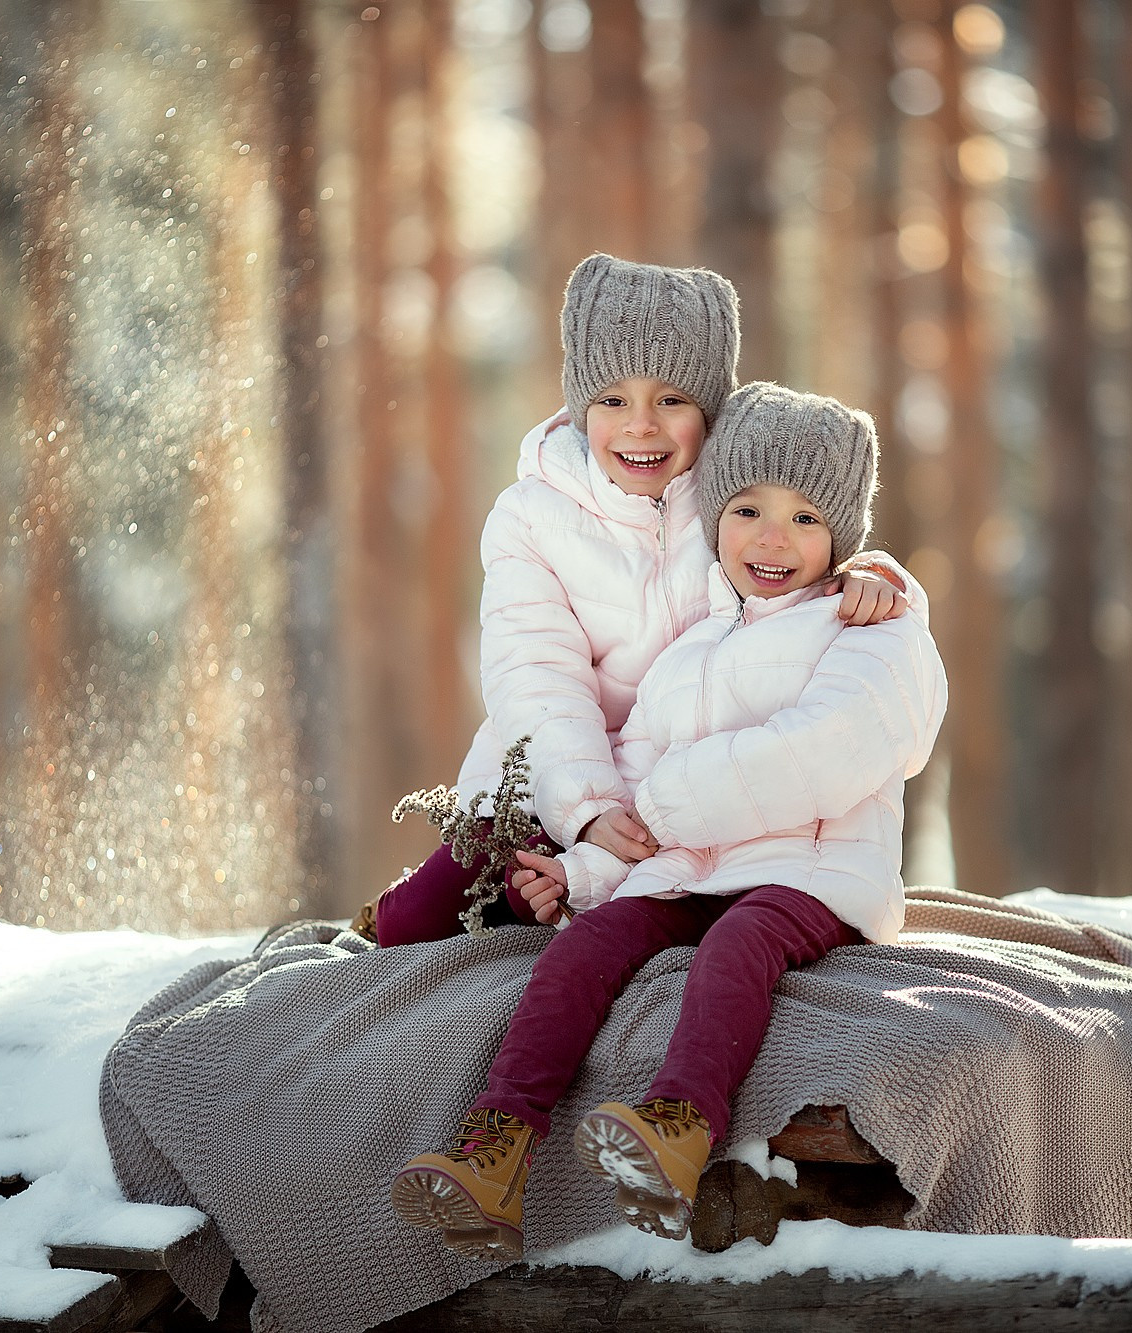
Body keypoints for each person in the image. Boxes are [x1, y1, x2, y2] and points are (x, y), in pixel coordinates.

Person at [389, 382, 948, 1259]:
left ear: (844, 533)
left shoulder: (871, 626)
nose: (771, 538)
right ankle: (496, 1148)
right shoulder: (688, 652)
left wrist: (667, 803)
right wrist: (583, 872)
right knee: (590, 943)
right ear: (714, 516)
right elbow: (638, 788)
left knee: (739, 943)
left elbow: (827, 749)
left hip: (808, 872)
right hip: (691, 867)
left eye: (805, 518)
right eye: (748, 510)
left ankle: (680, 1124)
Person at [373, 255, 913, 946]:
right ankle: (477, 892)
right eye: (613, 401)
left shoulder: (738, 504)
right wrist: (586, 811)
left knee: (632, 908)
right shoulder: (531, 517)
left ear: (711, 410)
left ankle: (558, 893)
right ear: (579, 405)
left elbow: (812, 540)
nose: (641, 426)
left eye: (672, 400)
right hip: (554, 777)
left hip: (681, 792)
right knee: (416, 922)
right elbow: (535, 676)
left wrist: (870, 573)